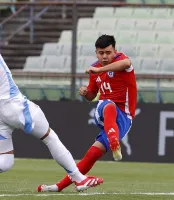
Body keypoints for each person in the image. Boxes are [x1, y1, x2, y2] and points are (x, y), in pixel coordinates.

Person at [38, 34, 137, 192]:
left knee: (92, 155)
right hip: (103, 111)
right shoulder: (95, 70)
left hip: (124, 118)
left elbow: (127, 63)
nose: (104, 56)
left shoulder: (120, 62)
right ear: (96, 53)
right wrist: (86, 92)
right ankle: (114, 140)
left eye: (108, 52)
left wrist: (99, 69)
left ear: (115, 51)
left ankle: (58, 187)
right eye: (101, 53)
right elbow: (92, 95)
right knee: (108, 104)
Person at [0, 54, 103, 192]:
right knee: (50, 137)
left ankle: (79, 178)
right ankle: (79, 178)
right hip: (15, 105)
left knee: (5, 161)